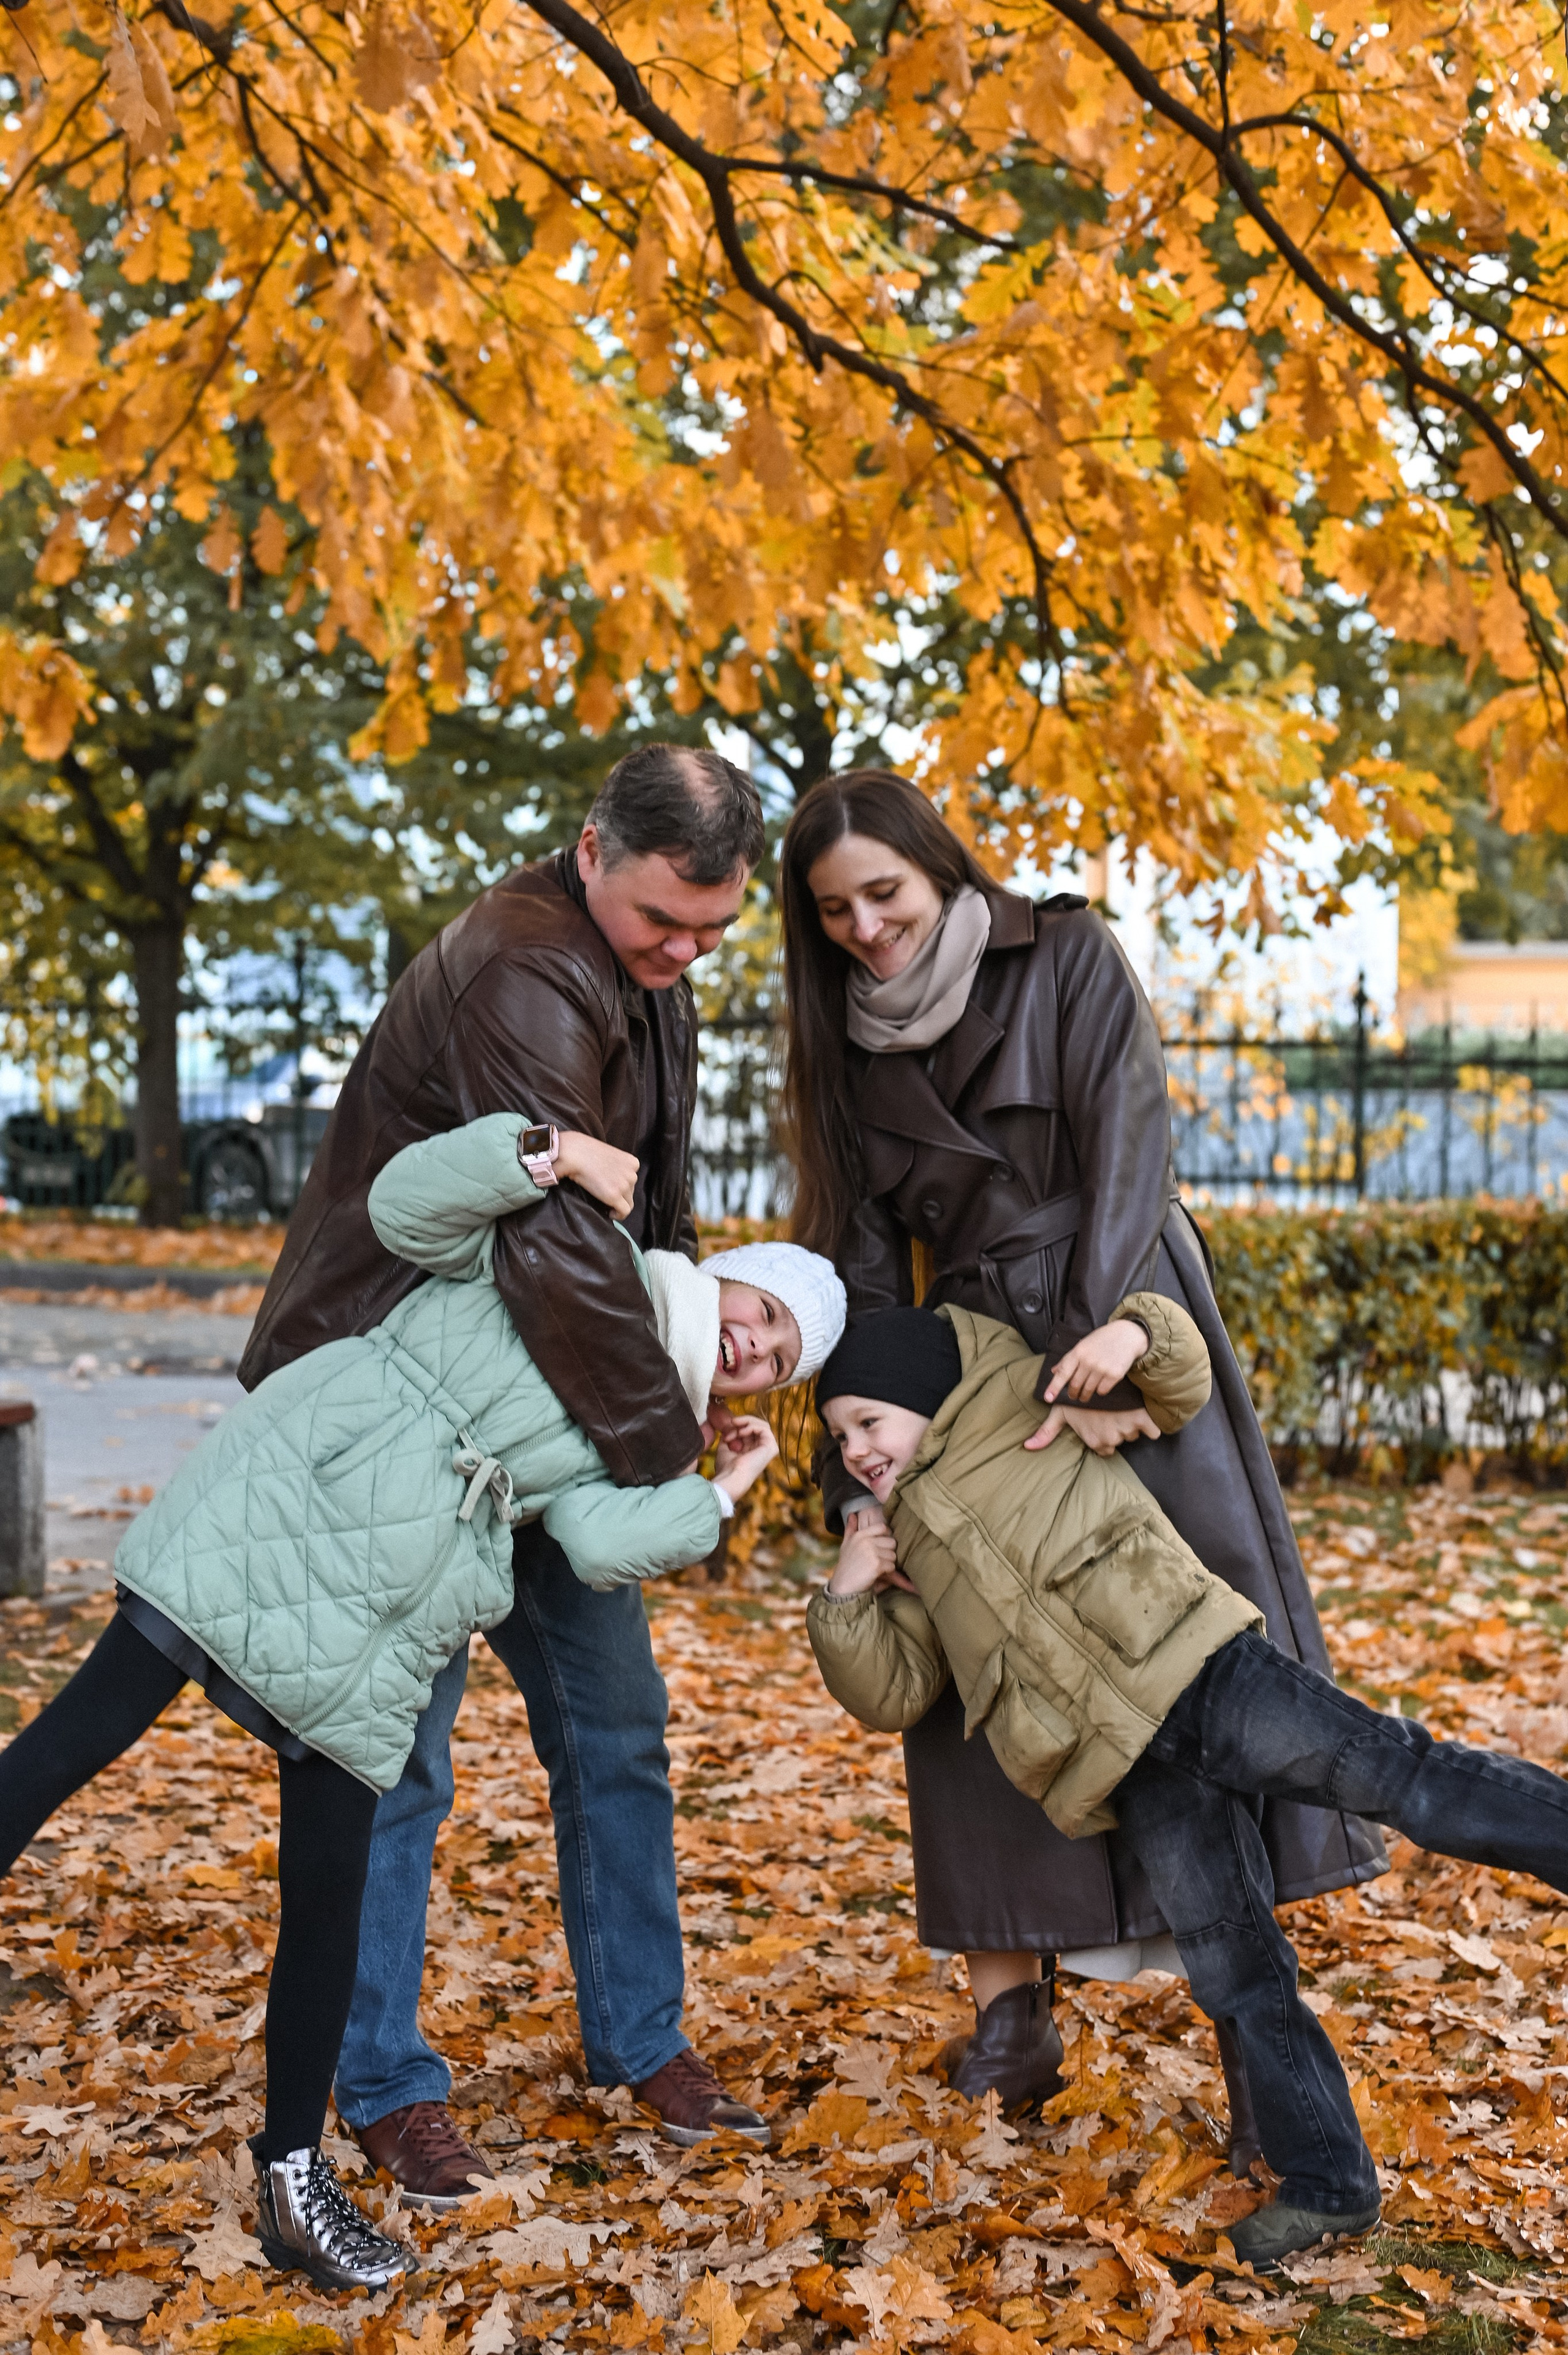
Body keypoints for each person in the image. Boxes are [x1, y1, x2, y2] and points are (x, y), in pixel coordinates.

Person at [0, 1113, 822, 2291]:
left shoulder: (652, 1428)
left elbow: (591, 1544)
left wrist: (722, 1484)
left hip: (389, 1613)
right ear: (732, 1274)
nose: (758, 1346)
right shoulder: (581, 1250)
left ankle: (292, 2179)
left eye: (784, 1358)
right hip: (283, 1500)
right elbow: (406, 1209)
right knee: (65, 1750)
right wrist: (546, 1152)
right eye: (767, 1313)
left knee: (330, 1886)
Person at [778, 769, 1384, 2155]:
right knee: (971, 1662)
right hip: (960, 1358)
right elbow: (866, 1248)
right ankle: (1012, 2010)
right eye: (832, 912)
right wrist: (856, 1447)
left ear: (939, 871)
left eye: (885, 892)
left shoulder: (1063, 951)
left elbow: (1125, 1145)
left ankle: (1259, 2062)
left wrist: (1103, 1341)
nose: (864, 928)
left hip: (1119, 1326)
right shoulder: (843, 1038)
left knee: (1193, 1666)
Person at [239, 743, 776, 2201]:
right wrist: (666, 1438)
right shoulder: (522, 972)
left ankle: (639, 2035)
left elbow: (636, 1215)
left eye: (712, 931)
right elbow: (544, 1237)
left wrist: (681, 1329)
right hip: (404, 1410)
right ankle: (382, 2081)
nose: (684, 954)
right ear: (592, 849)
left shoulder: (638, 966)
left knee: (615, 1729)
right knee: (392, 1765)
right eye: (666, 920)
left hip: (541, 1415)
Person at [805, 1298, 1568, 2266]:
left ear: (924, 1392)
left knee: (1405, 1777)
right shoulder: (902, 1543)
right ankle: (1330, 2182)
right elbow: (894, 1689)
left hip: (1206, 1672)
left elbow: (1178, 1375)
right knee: (1236, 1969)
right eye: (839, 1436)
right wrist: (845, 1592)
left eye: (868, 1422)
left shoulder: (1020, 1399)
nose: (856, 1449)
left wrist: (1132, 1336)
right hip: (1128, 1763)